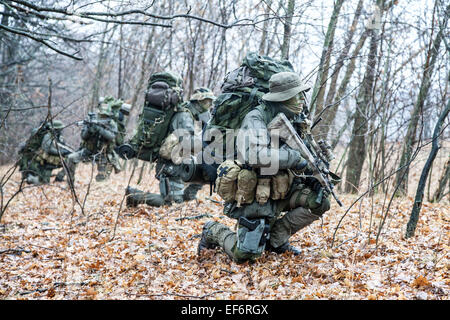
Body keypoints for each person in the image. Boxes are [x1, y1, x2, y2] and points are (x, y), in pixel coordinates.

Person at [197, 72, 332, 263]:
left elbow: (304, 157)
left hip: (280, 188)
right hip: (254, 194)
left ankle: (275, 241)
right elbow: (256, 156)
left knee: (318, 201)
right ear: (283, 98)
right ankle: (212, 230)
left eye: (302, 95)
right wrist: (294, 158)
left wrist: (312, 176)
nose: (302, 100)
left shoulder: (294, 119)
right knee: (244, 255)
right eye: (296, 95)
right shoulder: (255, 119)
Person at [124, 72, 205, 207]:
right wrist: (204, 143)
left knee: (174, 199)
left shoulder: (179, 113)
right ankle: (134, 195)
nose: (205, 108)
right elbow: (188, 142)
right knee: (171, 202)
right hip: (170, 165)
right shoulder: (183, 116)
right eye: (204, 103)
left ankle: (135, 196)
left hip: (171, 163)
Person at [66, 104, 121, 182]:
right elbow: (83, 137)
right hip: (88, 152)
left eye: (105, 115)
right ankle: (70, 184)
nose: (103, 117)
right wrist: (89, 130)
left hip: (103, 155)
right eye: (101, 115)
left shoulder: (111, 123)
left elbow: (111, 136)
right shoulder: (90, 121)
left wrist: (99, 129)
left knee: (101, 180)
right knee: (71, 158)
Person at [18, 120, 72, 185]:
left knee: (69, 160)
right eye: (59, 129)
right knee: (43, 182)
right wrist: (61, 152)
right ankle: (32, 179)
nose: (61, 131)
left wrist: (64, 151)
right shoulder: (48, 135)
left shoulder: (56, 136)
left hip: (44, 158)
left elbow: (60, 145)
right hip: (42, 158)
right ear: (55, 129)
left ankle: (58, 177)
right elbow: (48, 149)